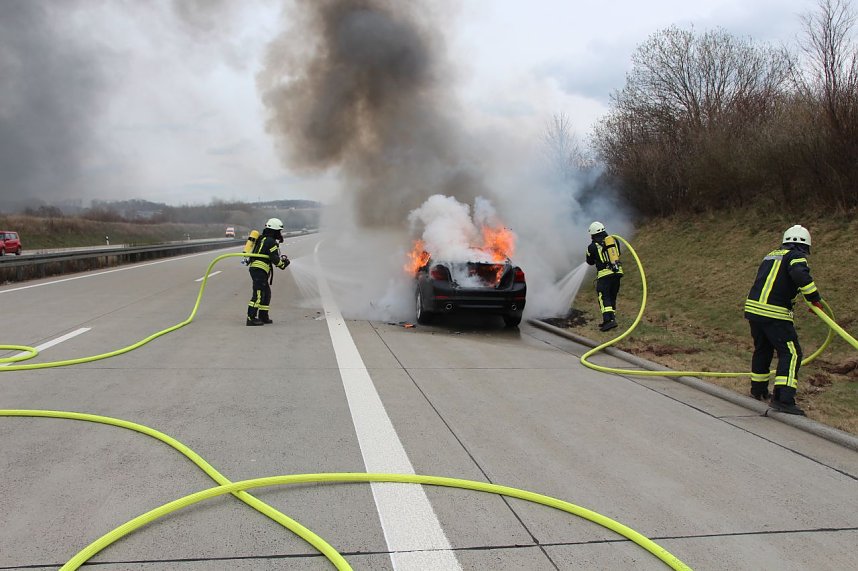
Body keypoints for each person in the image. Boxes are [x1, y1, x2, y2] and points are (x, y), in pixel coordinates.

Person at [744, 225, 824, 415]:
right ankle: (783, 399)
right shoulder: (795, 256)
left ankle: (758, 390)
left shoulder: (771, 255)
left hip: (754, 310)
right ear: (804, 245)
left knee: (763, 349)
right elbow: (799, 275)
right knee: (792, 353)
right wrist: (814, 299)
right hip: (775, 313)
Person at [247, 218, 290, 326]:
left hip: (259, 269)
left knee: (266, 293)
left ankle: (263, 316)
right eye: (279, 231)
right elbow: (274, 258)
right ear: (275, 231)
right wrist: (283, 264)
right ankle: (250, 318)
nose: (280, 233)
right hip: (259, 270)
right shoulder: (271, 241)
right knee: (259, 293)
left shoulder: (262, 238)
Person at [585, 221, 623, 331]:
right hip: (617, 273)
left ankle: (608, 321)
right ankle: (612, 319)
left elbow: (589, 261)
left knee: (604, 296)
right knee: (612, 296)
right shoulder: (614, 240)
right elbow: (618, 254)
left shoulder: (591, 247)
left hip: (604, 275)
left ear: (592, 234)